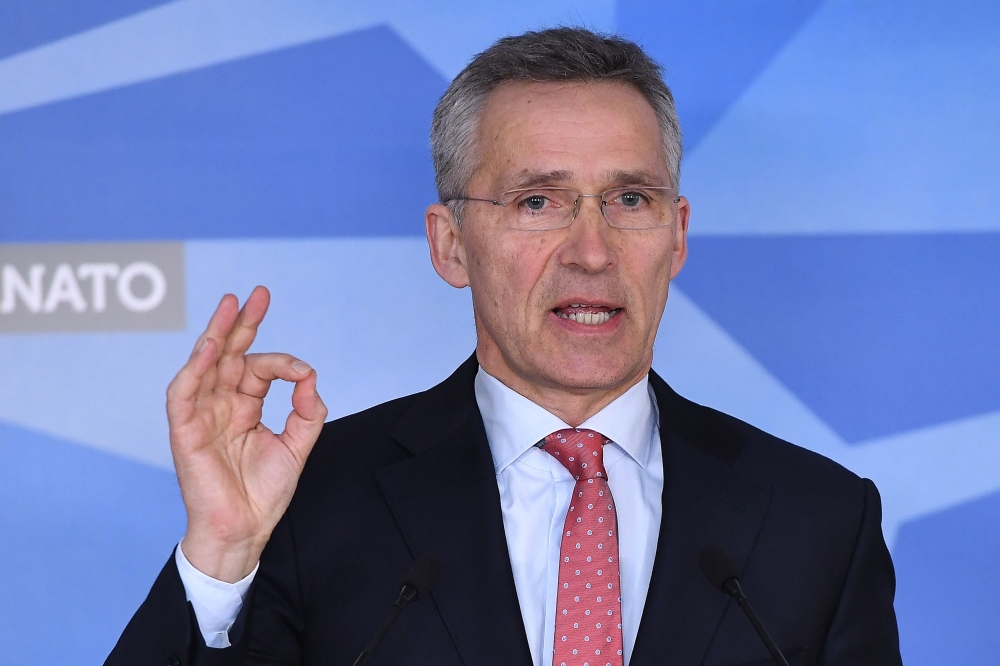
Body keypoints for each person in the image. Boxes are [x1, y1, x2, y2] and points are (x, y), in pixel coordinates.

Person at [106, 27, 901, 666]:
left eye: (630, 199)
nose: (591, 250)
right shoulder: (310, 503)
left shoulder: (819, 519)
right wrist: (220, 556)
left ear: (678, 235)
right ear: (451, 244)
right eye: (537, 201)